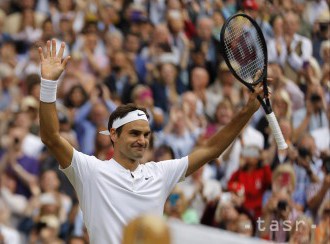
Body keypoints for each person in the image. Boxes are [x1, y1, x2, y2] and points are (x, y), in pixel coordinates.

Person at [38, 39, 266, 244]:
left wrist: (247, 112)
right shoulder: (90, 170)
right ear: (114, 135)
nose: (142, 140)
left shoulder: (160, 173)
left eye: (146, 134)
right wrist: (48, 84)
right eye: (134, 133)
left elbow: (211, 149)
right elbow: (51, 137)